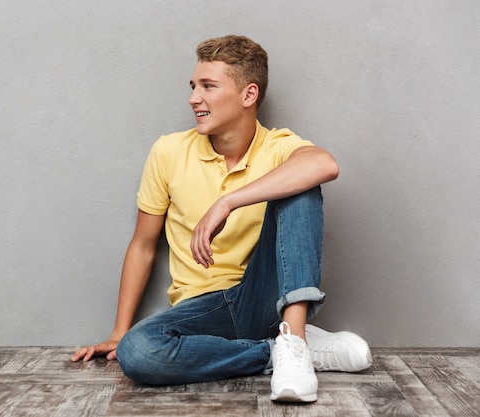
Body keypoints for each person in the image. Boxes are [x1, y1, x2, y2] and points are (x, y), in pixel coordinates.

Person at [71, 34, 372, 403]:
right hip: (202, 310)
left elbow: (324, 164)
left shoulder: (277, 146)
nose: (194, 97)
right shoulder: (168, 151)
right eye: (194, 86)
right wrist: (119, 333)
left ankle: (292, 340)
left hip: (261, 297)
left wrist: (228, 202)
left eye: (209, 86)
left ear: (248, 95)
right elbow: (143, 245)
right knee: (139, 352)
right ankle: (285, 350)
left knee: (303, 186)